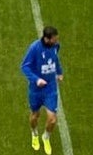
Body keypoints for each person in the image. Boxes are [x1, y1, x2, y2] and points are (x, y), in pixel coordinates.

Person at [21, 26, 64, 154]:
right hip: (36, 89)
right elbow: (24, 67)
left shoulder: (56, 46)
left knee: (52, 119)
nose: (56, 41)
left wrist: (59, 72)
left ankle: (46, 137)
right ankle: (34, 134)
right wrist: (36, 80)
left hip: (50, 88)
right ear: (46, 38)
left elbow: (55, 59)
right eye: (54, 39)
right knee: (35, 115)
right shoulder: (34, 48)